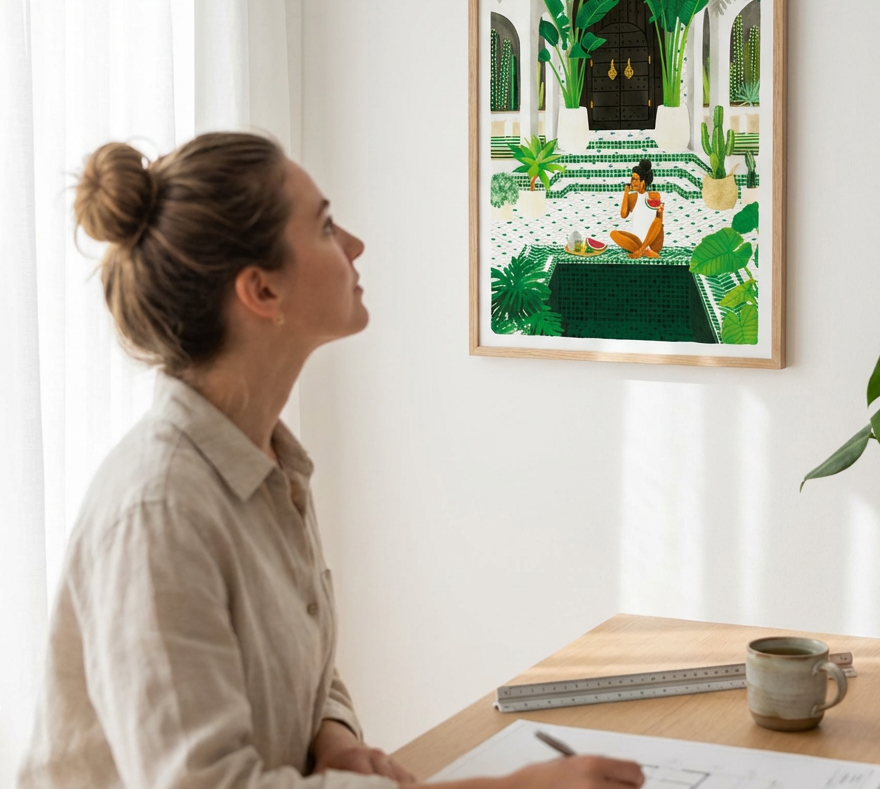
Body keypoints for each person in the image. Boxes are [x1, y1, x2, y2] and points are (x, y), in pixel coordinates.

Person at [18, 132, 644, 789]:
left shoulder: (267, 463)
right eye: (323, 226)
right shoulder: (160, 513)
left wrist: (334, 737)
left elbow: (300, 668)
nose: (354, 245)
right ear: (261, 291)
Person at [608, 160, 663, 259]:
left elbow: (658, 222)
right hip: (638, 241)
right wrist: (626, 192)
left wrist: (642, 249)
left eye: (634, 179)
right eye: (631, 178)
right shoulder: (633, 197)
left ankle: (643, 250)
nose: (631, 182)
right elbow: (623, 214)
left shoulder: (654, 196)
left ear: (642, 182)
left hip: (652, 242)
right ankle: (643, 251)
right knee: (613, 234)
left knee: (657, 221)